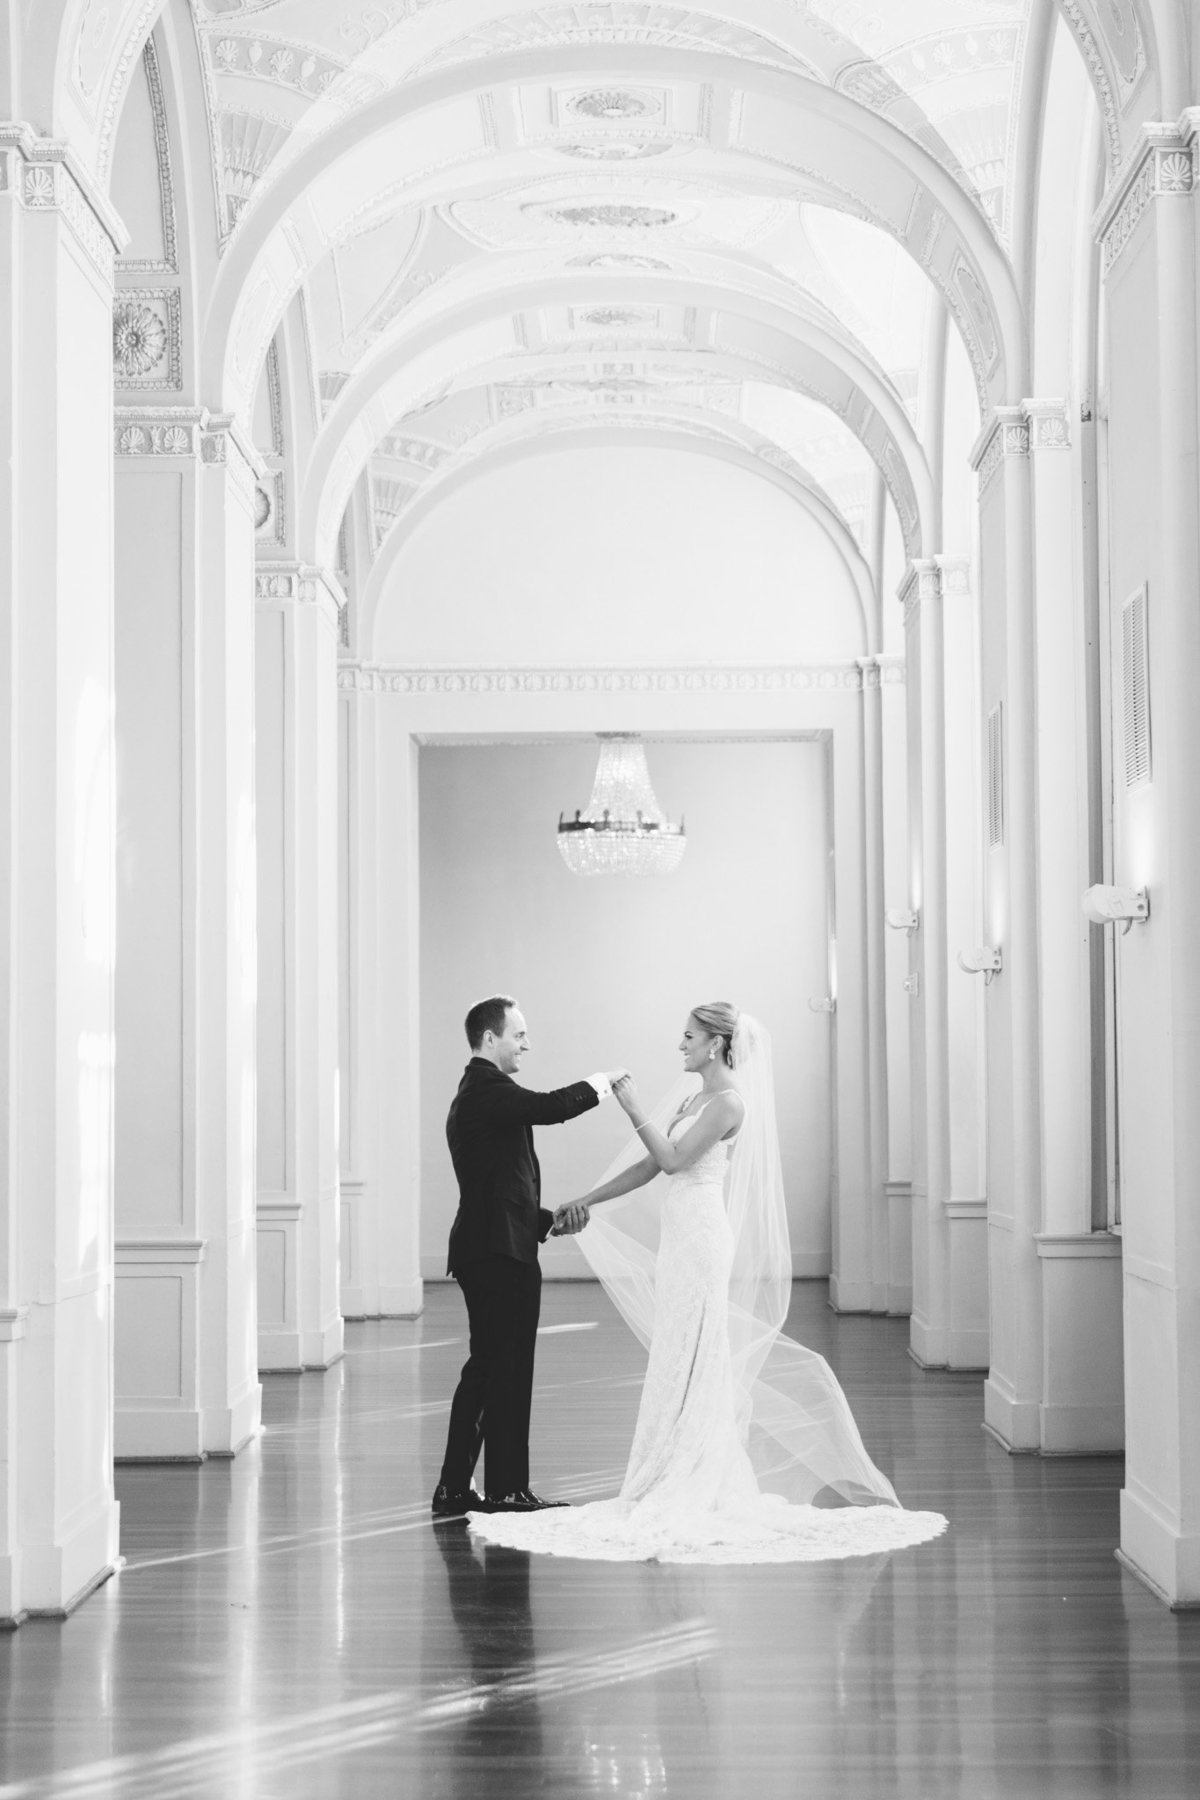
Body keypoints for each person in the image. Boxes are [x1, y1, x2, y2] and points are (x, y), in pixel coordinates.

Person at [469, 1003, 948, 1563]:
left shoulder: (729, 1103)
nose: (682, 1047)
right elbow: (650, 1166)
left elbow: (672, 1160)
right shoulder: (694, 1098)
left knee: (699, 1347)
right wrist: (587, 1201)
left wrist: (631, 1107)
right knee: (677, 1347)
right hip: (680, 1235)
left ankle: (696, 1473)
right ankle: (664, 1469)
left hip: (701, 1236)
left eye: (690, 1038)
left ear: (718, 1044)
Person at [432, 995, 626, 1518]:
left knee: (489, 1370)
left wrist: (544, 1221)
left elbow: (499, 1185)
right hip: (496, 1254)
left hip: (494, 1246)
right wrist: (604, 1083)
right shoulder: (486, 1088)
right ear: (490, 1039)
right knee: (506, 1370)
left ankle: (458, 1488)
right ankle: (506, 1490)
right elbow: (549, 1108)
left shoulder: (479, 1093)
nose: (527, 1044)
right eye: (518, 1034)